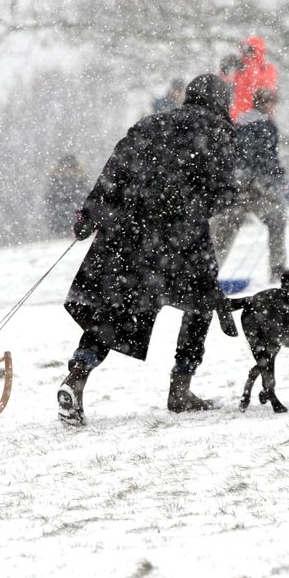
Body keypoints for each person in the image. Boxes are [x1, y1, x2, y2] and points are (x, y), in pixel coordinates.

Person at [58, 74, 242, 427]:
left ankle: (77, 375)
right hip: (179, 237)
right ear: (220, 101)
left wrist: (90, 214)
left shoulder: (149, 124)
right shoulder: (218, 131)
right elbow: (223, 192)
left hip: (127, 231)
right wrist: (196, 205)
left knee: (113, 310)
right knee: (200, 302)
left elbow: (113, 174)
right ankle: (181, 386)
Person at [211, 88, 289, 282]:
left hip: (234, 184)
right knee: (277, 219)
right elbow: (266, 158)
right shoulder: (266, 126)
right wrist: (280, 177)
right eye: (273, 105)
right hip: (256, 185)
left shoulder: (238, 123)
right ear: (267, 105)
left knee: (224, 232)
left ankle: (207, 275)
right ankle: (277, 268)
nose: (274, 110)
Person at [230, 36, 278, 123]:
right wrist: (225, 71)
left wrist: (247, 67)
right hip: (237, 116)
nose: (245, 53)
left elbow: (264, 87)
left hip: (258, 118)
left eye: (249, 50)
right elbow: (226, 86)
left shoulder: (267, 69)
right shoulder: (240, 69)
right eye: (244, 50)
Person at [44, 154, 90, 237]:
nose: (69, 171)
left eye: (72, 168)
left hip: (79, 225)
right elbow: (51, 205)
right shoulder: (56, 183)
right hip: (60, 227)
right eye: (67, 168)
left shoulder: (81, 182)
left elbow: (85, 200)